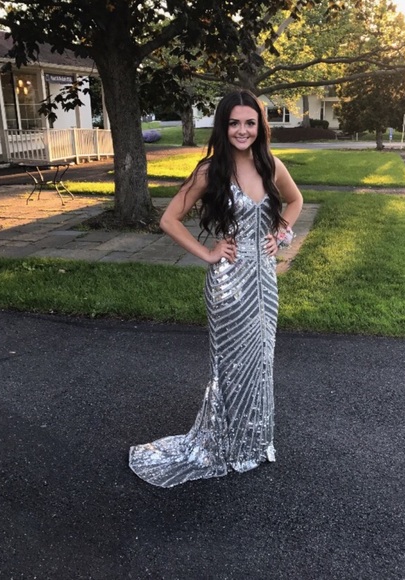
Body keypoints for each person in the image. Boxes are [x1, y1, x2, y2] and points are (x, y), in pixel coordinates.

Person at [128, 90, 303, 488]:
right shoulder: (210, 171)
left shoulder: (270, 165)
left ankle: (253, 443)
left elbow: (295, 201)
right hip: (228, 286)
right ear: (224, 126)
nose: (242, 130)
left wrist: (281, 233)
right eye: (234, 123)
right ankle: (225, 444)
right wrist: (208, 253)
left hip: (265, 282)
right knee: (230, 366)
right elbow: (169, 220)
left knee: (261, 361)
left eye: (250, 123)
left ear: (260, 126)